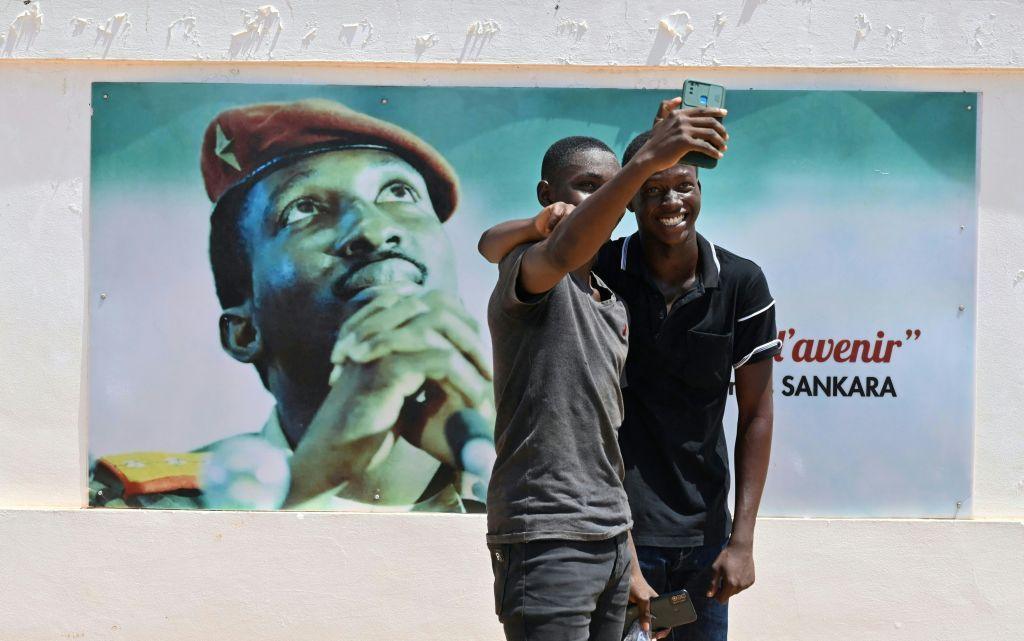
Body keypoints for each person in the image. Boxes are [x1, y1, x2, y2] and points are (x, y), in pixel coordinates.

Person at [90, 99, 495, 512]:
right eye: (303, 209)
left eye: (399, 192)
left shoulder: (540, 479)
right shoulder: (139, 507)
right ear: (244, 331)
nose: (374, 230)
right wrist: (309, 484)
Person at [481, 98, 777, 641]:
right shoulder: (562, 271)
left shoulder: (612, 300)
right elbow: (520, 245)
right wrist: (539, 222)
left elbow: (752, 412)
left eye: (684, 186)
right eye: (651, 189)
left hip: (658, 544)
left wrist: (740, 540)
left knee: (679, 630)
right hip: (567, 540)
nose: (670, 201)